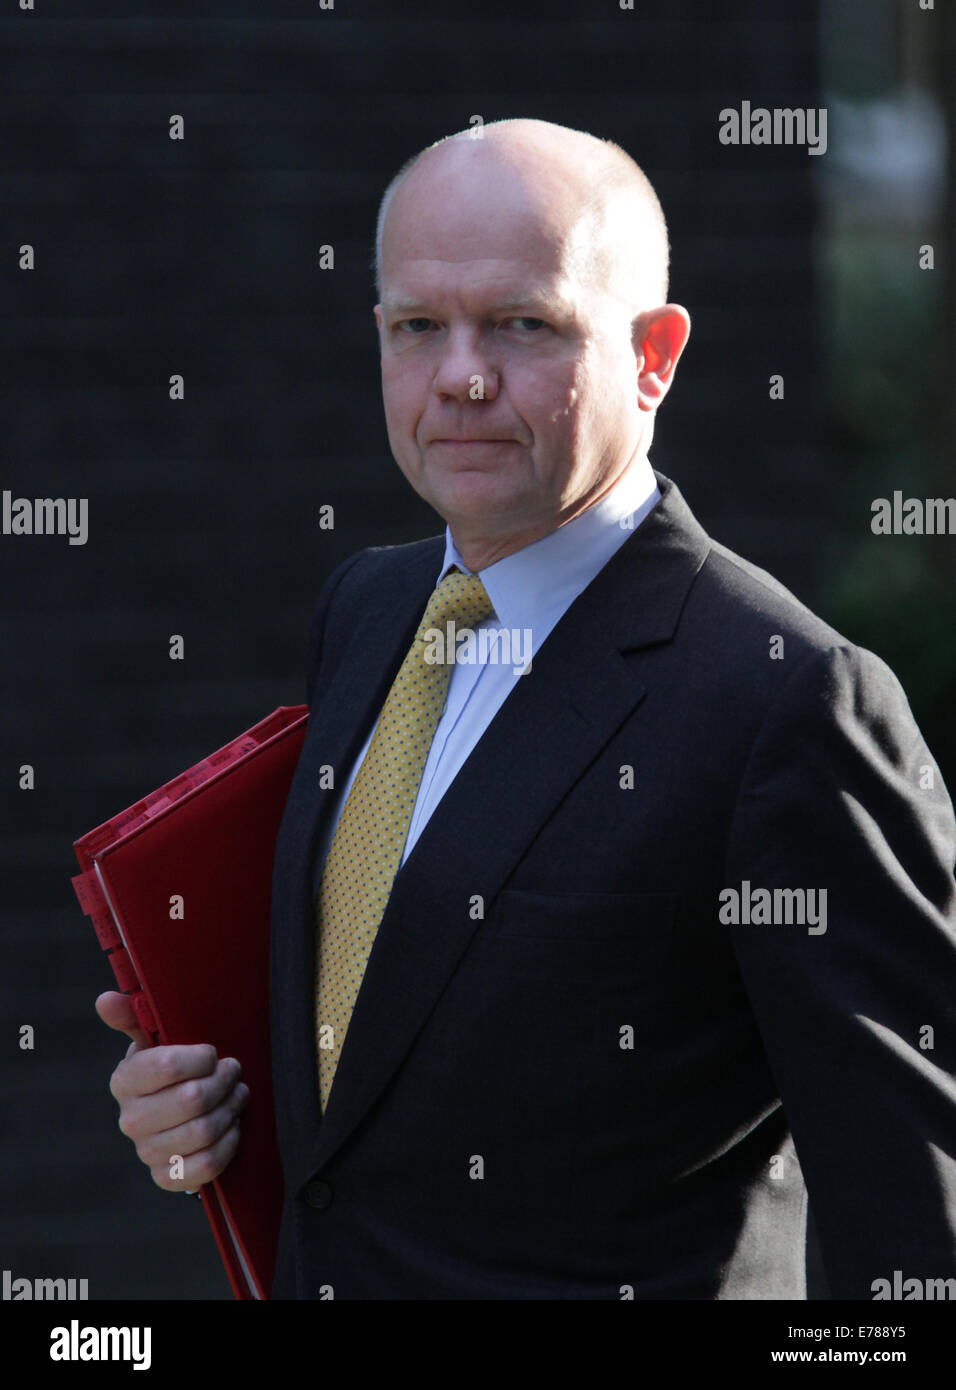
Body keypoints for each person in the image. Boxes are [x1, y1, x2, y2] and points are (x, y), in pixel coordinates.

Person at [97, 118, 956, 1300]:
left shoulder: (789, 702)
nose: (460, 374)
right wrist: (212, 1096)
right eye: (416, 327)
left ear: (654, 355)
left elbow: (914, 1220)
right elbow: (390, 1052)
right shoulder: (368, 607)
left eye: (522, 323)